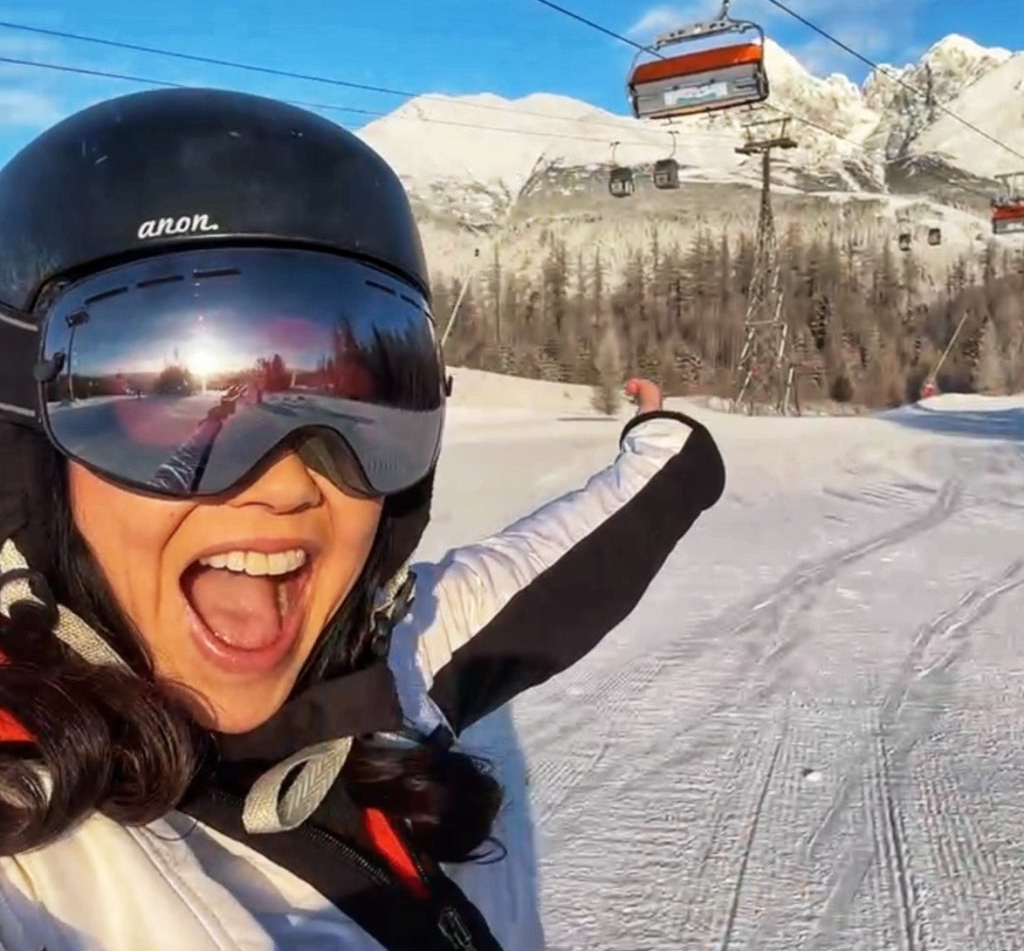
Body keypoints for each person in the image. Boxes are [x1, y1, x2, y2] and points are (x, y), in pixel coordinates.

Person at [0, 88, 725, 950]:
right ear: (27, 455)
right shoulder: (31, 852)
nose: (290, 486)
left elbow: (597, 539)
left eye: (358, 398)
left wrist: (662, 433)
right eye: (176, 397)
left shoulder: (390, 661)